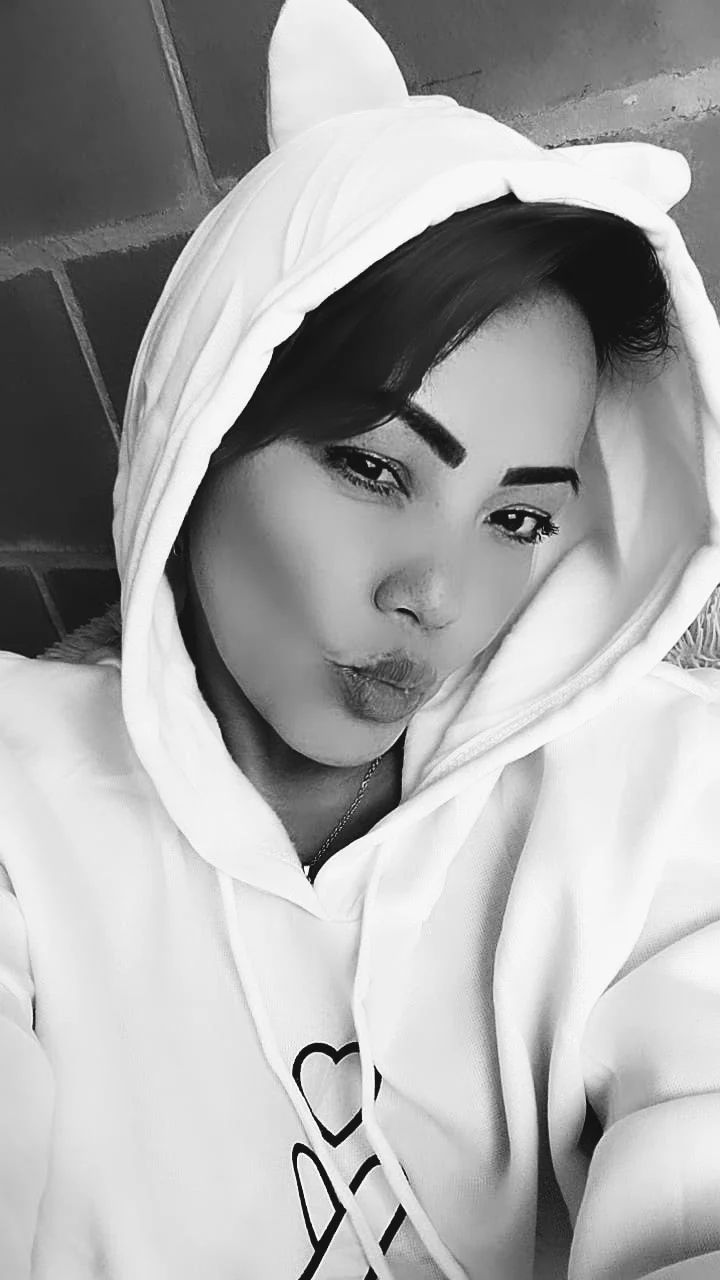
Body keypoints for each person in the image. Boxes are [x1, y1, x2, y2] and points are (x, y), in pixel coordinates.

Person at [2, 0, 720, 1276]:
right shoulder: (21, 789)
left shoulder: (651, 794)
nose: (438, 593)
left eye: (516, 516)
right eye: (373, 467)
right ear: (199, 432)